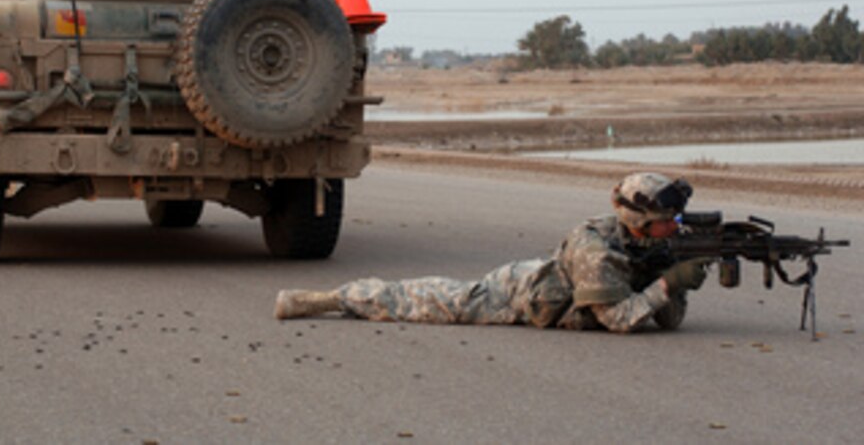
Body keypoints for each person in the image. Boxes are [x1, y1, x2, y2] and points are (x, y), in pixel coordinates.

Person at [273, 172, 709, 333]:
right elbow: (618, 320)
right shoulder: (595, 248)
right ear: (638, 220)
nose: (675, 227)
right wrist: (670, 282)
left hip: (550, 290)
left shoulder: (648, 242)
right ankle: (329, 299)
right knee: (420, 300)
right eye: (667, 220)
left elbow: (666, 321)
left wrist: (671, 277)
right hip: (513, 294)